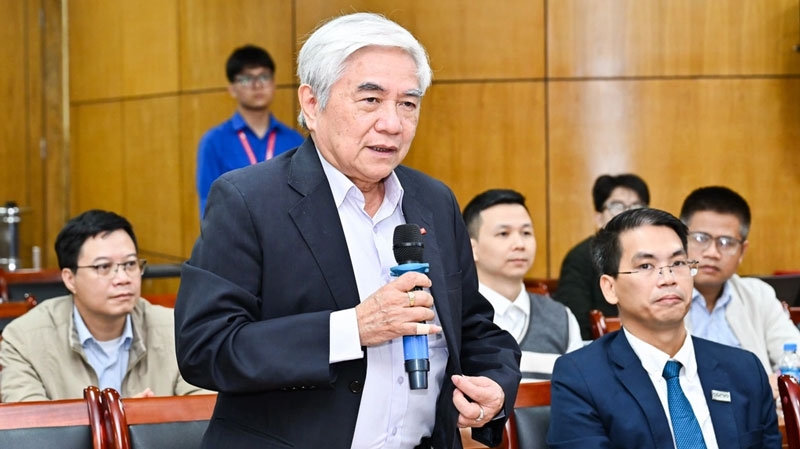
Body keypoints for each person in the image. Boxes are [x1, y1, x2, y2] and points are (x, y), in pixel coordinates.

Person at [174, 12, 521, 449]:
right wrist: (351, 329)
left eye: (408, 103)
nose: (392, 123)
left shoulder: (434, 201)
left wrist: (495, 384)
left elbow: (473, 326)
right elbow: (206, 347)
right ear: (311, 104)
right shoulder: (248, 201)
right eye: (371, 100)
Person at [547, 207, 781, 448]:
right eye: (646, 266)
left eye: (678, 263)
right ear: (610, 288)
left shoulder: (745, 370)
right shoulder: (581, 378)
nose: (669, 278)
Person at [0, 210, 205, 402]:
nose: (123, 278)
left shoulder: (176, 331)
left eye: (130, 264)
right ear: (70, 279)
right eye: (103, 267)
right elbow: (29, 423)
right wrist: (121, 418)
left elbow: (203, 410)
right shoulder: (24, 340)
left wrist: (146, 419)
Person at [681, 186, 800, 395]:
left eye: (726, 243)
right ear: (681, 240)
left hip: (757, 412)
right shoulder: (664, 295)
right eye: (701, 238)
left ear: (742, 251)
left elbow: (793, 354)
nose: (712, 253)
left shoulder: (759, 295)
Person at [462, 189, 582, 380]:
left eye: (526, 233)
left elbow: (578, 391)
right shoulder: (455, 316)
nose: (519, 244)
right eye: (503, 233)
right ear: (471, 248)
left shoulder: (561, 318)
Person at [196, 44, 304, 215]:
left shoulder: (295, 141)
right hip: (235, 230)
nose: (257, 85)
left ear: (274, 83)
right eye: (247, 79)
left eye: (264, 76)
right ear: (232, 89)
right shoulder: (214, 142)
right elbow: (209, 205)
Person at [555, 173, 650, 340]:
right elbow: (577, 325)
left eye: (636, 206)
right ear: (599, 218)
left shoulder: (653, 257)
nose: (628, 214)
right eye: (617, 206)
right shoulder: (579, 258)